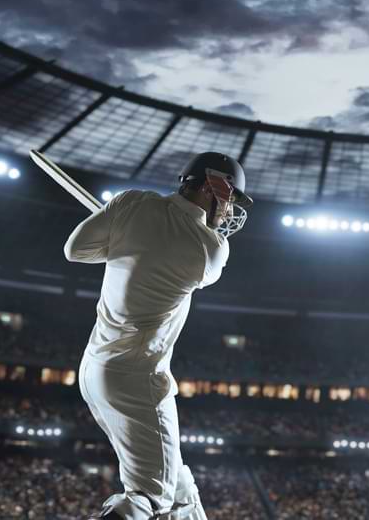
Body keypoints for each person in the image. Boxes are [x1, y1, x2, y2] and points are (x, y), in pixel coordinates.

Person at [65, 152, 252, 520]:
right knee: (151, 496)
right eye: (230, 197)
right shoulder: (211, 248)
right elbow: (187, 244)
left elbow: (76, 251)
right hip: (139, 380)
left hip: (95, 370)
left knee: (179, 484)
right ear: (215, 186)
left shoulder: (131, 202)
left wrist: (123, 239)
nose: (229, 208)